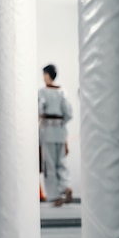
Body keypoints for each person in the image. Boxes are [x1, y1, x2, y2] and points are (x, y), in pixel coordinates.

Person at [38, 64, 73, 207]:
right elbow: (69, 113)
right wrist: (60, 122)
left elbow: (40, 109)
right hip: (60, 131)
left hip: (48, 131)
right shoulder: (62, 92)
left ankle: (55, 196)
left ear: (47, 75)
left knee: (50, 165)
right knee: (61, 163)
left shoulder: (43, 92)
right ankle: (66, 187)